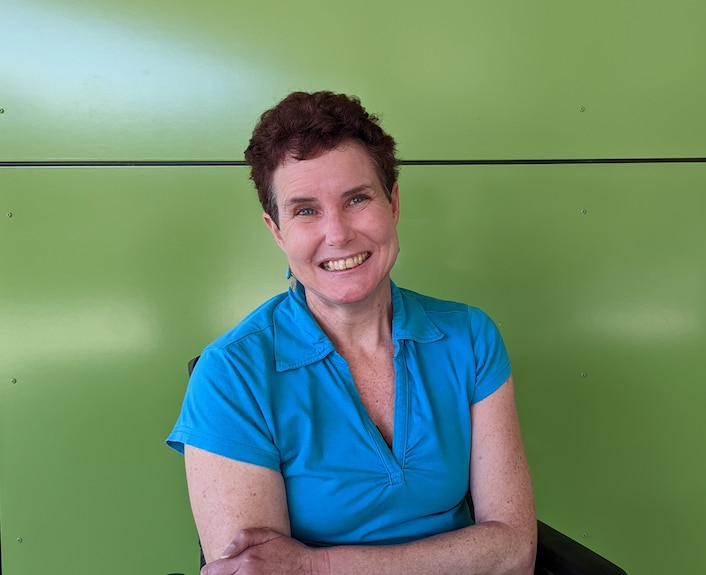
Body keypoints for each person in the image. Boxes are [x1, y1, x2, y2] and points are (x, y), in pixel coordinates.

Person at [166, 91, 536, 574]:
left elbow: (514, 551)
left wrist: (314, 568)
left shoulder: (470, 337)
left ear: (393, 203)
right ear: (277, 231)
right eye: (304, 210)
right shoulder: (230, 375)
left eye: (357, 199)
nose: (338, 234)